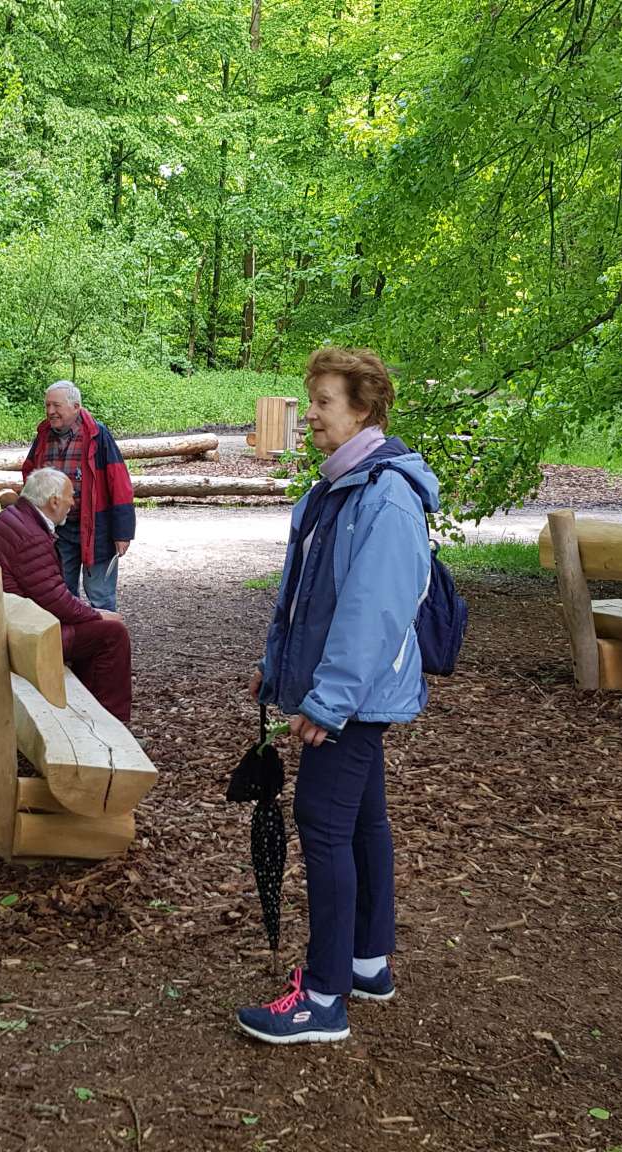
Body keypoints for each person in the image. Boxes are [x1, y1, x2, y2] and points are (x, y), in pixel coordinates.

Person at [236, 346, 438, 1046]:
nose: (310, 416)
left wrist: (328, 702)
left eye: (324, 402)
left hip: (353, 698)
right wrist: (275, 665)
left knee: (323, 824)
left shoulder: (386, 495)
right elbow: (304, 597)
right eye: (312, 401)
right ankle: (367, 964)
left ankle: (322, 998)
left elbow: (374, 610)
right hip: (343, 692)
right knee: (360, 823)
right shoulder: (335, 489)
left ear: (364, 409)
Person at [0, 469, 133, 722]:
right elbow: (54, 601)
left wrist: (91, 614)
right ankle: (112, 720)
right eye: (70, 496)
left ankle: (88, 707)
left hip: (5, 620)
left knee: (95, 631)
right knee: (113, 633)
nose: (73, 503)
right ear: (54, 501)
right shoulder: (31, 536)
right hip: (18, 634)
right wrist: (97, 615)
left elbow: (48, 594)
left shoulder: (15, 517)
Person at [18, 380, 135, 610]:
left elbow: (120, 483)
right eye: (47, 405)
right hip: (57, 530)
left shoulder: (97, 435)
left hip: (96, 528)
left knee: (100, 596)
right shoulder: (43, 435)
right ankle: (69, 633)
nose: (50, 411)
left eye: (56, 405)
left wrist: (123, 532)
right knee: (61, 593)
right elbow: (29, 476)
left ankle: (105, 632)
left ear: (75, 407)